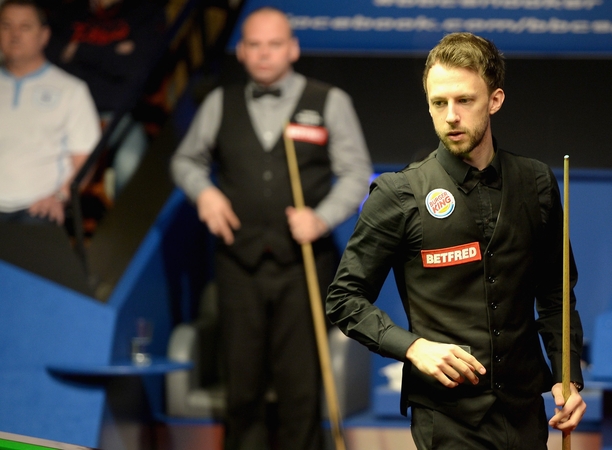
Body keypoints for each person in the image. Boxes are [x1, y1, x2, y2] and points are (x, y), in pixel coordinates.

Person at [326, 32, 586, 449]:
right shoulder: (399, 194)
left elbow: (555, 292)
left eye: (464, 101)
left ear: (495, 100)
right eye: (438, 103)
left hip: (524, 412)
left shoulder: (535, 182)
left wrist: (566, 375)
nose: (451, 116)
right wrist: (413, 348)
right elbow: (343, 299)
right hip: (447, 418)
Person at [170, 7, 372, 450]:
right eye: (254, 44)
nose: (264, 53)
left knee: (300, 387)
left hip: (303, 265)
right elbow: (184, 160)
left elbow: (357, 173)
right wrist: (205, 193)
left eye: (274, 44)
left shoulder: (329, 101)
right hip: (237, 264)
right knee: (241, 386)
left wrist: (320, 216)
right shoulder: (219, 103)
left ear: (293, 48)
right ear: (241, 52)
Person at [44, 0, 166, 199]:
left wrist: (78, 50)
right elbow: (51, 65)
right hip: (67, 117)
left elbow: (137, 69)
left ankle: (126, 229)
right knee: (46, 171)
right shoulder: (67, 10)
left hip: (117, 116)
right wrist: (114, 53)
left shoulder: (144, 9)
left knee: (132, 164)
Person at [0, 0, 100, 225]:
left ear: (44, 35)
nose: (14, 35)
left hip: (37, 209)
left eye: (25, 27)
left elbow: (84, 162)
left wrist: (60, 197)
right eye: (6, 26)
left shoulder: (71, 90)